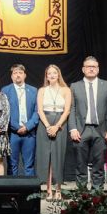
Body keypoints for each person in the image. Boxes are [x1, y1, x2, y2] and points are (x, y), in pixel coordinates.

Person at [68, 56, 107, 190]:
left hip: (101, 130)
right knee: (80, 164)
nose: (91, 69)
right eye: (88, 66)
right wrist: (72, 128)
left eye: (94, 67)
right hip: (80, 130)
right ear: (83, 69)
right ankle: (82, 193)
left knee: (99, 163)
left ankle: (97, 193)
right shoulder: (74, 86)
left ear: (98, 69)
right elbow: (71, 108)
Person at [36, 65, 71, 200]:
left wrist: (56, 126)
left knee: (58, 156)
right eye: (49, 73)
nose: (51, 75)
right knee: (46, 157)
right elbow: (40, 110)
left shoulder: (66, 90)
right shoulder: (42, 90)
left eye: (54, 73)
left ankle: (58, 189)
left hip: (60, 123)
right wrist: (47, 126)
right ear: (46, 76)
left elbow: (67, 110)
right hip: (45, 123)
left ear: (58, 74)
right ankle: (48, 189)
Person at [1, 64, 39, 176]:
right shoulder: (5, 90)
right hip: (13, 133)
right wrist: (17, 127)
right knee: (12, 165)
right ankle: (12, 192)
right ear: (12, 76)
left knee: (29, 165)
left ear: (25, 75)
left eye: (20, 73)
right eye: (15, 73)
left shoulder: (33, 90)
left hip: (29, 133)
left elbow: (37, 111)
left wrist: (28, 126)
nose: (18, 75)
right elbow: (5, 112)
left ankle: (30, 193)